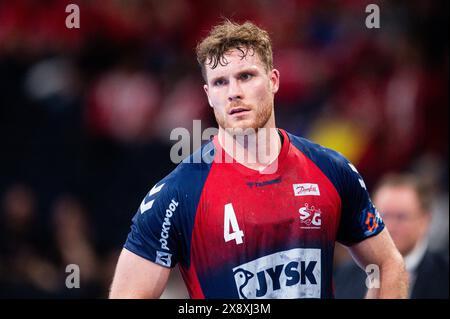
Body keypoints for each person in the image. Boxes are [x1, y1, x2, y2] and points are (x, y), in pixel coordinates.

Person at [109, 20, 407, 299]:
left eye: (246, 76)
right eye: (220, 83)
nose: (233, 93)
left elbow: (388, 264)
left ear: (273, 80)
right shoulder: (177, 195)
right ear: (208, 94)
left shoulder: (331, 170)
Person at [334, 173, 449, 299]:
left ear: (425, 220)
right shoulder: (345, 275)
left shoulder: (444, 274)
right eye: (382, 216)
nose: (390, 227)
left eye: (401, 217)